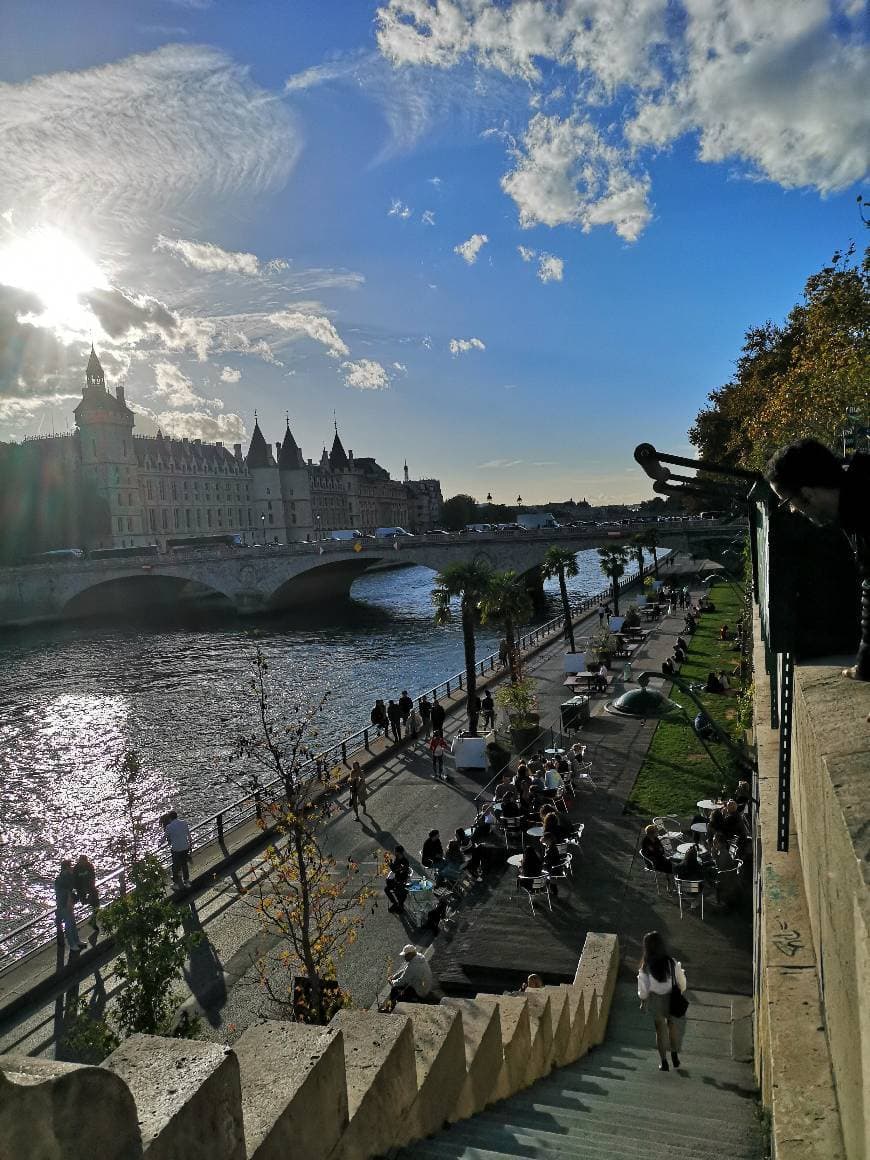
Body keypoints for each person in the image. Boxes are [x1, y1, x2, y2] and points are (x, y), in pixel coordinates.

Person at [766, 437, 870, 680]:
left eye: (788, 502)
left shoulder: (862, 511)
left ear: (807, 493)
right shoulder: (857, 497)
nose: (792, 510)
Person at [637, 930, 688, 1071]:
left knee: (659, 1031)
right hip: (671, 997)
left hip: (656, 1000)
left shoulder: (646, 965)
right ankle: (675, 1055)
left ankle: (663, 1062)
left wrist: (643, 1001)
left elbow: (643, 987)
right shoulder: (671, 962)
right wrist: (681, 991)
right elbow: (681, 981)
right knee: (672, 1027)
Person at [55, 860, 85, 952]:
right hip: (64, 903)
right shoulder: (63, 878)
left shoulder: (65, 876)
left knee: (72, 922)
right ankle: (72, 944)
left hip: (67, 902)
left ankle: (76, 941)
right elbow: (66, 891)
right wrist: (69, 901)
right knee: (69, 923)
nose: (71, 867)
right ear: (67, 867)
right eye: (70, 866)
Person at [164, 811, 193, 886]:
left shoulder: (168, 827)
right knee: (184, 864)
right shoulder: (184, 823)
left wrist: (159, 843)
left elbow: (165, 837)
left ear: (170, 818)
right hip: (185, 847)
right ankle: (186, 881)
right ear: (176, 816)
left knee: (175, 866)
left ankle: (176, 883)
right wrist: (190, 846)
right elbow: (189, 836)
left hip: (176, 849)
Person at [72, 854, 99, 932]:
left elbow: (93, 877)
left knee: (96, 904)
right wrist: (80, 890)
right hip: (80, 889)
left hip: (90, 887)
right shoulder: (76, 869)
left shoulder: (90, 866)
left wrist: (90, 888)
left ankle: (93, 921)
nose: (83, 863)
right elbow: (75, 882)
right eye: (82, 862)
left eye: (85, 861)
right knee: (83, 902)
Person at [384, 845, 411, 913]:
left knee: (398, 892)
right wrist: (391, 863)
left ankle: (400, 905)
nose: (394, 852)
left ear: (398, 852)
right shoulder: (397, 858)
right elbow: (395, 869)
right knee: (386, 889)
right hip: (397, 879)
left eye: (395, 851)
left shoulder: (404, 862)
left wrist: (390, 864)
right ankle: (395, 903)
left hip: (402, 881)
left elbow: (396, 870)